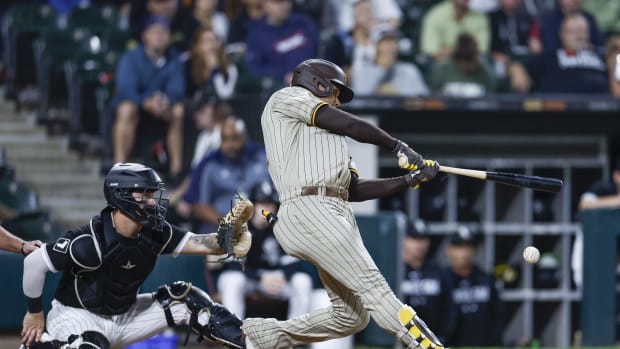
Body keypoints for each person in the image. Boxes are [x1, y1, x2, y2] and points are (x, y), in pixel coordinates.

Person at [241, 58, 443, 349]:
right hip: (310, 207)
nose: (338, 100)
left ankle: (266, 336)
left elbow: (355, 189)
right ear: (317, 83)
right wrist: (397, 145)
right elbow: (347, 123)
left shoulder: (327, 136)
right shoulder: (287, 98)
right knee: (375, 288)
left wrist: (408, 180)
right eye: (335, 92)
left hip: (330, 210)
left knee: (351, 316)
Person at [20, 163, 252, 349]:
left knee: (187, 299)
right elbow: (33, 262)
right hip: (77, 316)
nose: (152, 201)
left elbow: (202, 244)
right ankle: (48, 344)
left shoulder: (155, 233)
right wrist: (34, 313)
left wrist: (226, 240)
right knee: (91, 344)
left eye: (152, 194)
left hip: (125, 316)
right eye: (144, 194)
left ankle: (250, 344)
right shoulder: (89, 241)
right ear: (120, 195)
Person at [218, 180, 313, 320]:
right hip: (250, 280)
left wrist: (282, 277)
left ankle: (294, 335)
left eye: (270, 204)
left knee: (302, 281)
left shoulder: (283, 228)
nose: (266, 209)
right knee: (232, 280)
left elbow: (293, 264)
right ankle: (234, 334)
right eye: (262, 203)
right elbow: (234, 264)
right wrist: (260, 278)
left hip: (276, 279)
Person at [112, 15, 186, 178]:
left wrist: (165, 101)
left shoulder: (174, 59)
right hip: (138, 107)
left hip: (161, 109)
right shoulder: (131, 57)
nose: (159, 37)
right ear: (145, 35)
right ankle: (119, 168)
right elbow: (125, 89)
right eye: (155, 32)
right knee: (126, 109)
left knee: (178, 110)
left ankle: (176, 171)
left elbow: (177, 89)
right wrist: (145, 102)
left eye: (163, 32)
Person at [184, 116, 271, 233]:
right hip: (221, 225)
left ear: (244, 137)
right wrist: (226, 224)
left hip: (259, 221)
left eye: (234, 138)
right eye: (225, 139)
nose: (230, 145)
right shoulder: (210, 164)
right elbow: (199, 205)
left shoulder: (260, 156)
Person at [507, 13, 609, 93]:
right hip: (558, 111)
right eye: (572, 31)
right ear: (562, 35)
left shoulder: (600, 56)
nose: (578, 36)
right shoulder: (550, 56)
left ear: (588, 33)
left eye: (581, 31)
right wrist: (516, 70)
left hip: (604, 109)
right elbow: (515, 64)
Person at [440, 226, 505, 347]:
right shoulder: (441, 281)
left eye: (468, 246)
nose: (464, 252)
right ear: (449, 250)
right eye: (459, 246)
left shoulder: (487, 280)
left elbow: (497, 317)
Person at [245, 0, 318, 87]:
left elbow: (320, 53)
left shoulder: (303, 23)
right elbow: (254, 69)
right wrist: (283, 75)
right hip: (281, 89)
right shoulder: (256, 34)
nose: (284, 5)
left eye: (287, 1)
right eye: (278, 2)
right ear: (265, 4)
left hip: (313, 81)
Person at [352, 26, 429, 97]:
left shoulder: (409, 70)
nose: (391, 45)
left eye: (394, 41)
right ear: (376, 45)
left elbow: (425, 100)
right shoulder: (364, 72)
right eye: (386, 41)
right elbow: (358, 102)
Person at [400, 218, 445, 332]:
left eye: (422, 239)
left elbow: (447, 307)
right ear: (404, 240)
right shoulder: (395, 270)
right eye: (414, 239)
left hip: (433, 336)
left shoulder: (437, 271)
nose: (418, 244)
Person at [420, 0, 491, 62]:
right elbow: (430, 51)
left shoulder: (480, 18)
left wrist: (451, 51)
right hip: (442, 64)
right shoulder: (435, 15)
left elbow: (482, 49)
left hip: (471, 64)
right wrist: (466, 50)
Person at [430, 32, 497, 97]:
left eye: (470, 61)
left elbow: (492, 96)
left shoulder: (486, 72)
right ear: (457, 60)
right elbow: (434, 95)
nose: (467, 66)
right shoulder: (444, 70)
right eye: (465, 62)